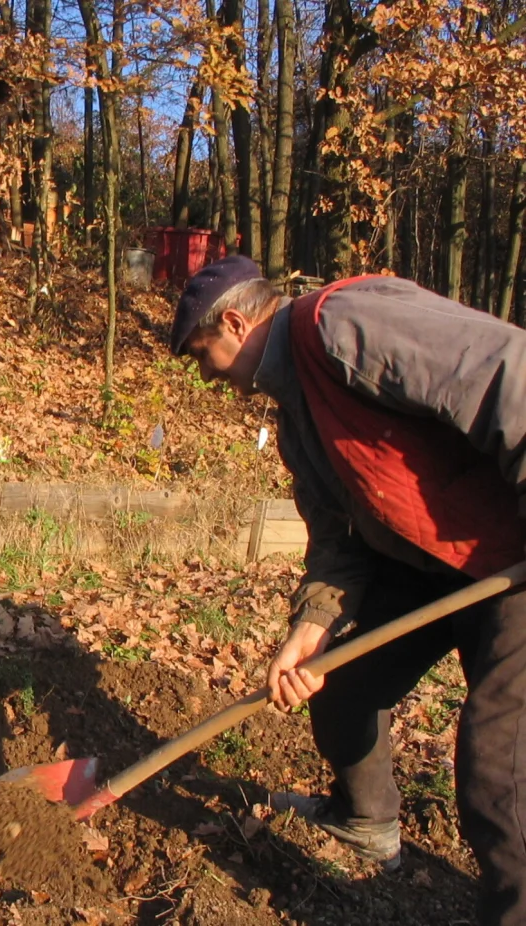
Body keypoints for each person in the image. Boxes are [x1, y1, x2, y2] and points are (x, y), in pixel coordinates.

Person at [170, 256, 526, 924]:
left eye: (201, 355)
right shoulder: (295, 421)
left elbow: (507, 370)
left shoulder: (344, 324)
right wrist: (310, 629)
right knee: (340, 686)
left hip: (509, 557)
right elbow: (336, 540)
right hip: (426, 562)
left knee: (501, 773)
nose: (207, 375)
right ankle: (365, 823)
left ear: (235, 321)